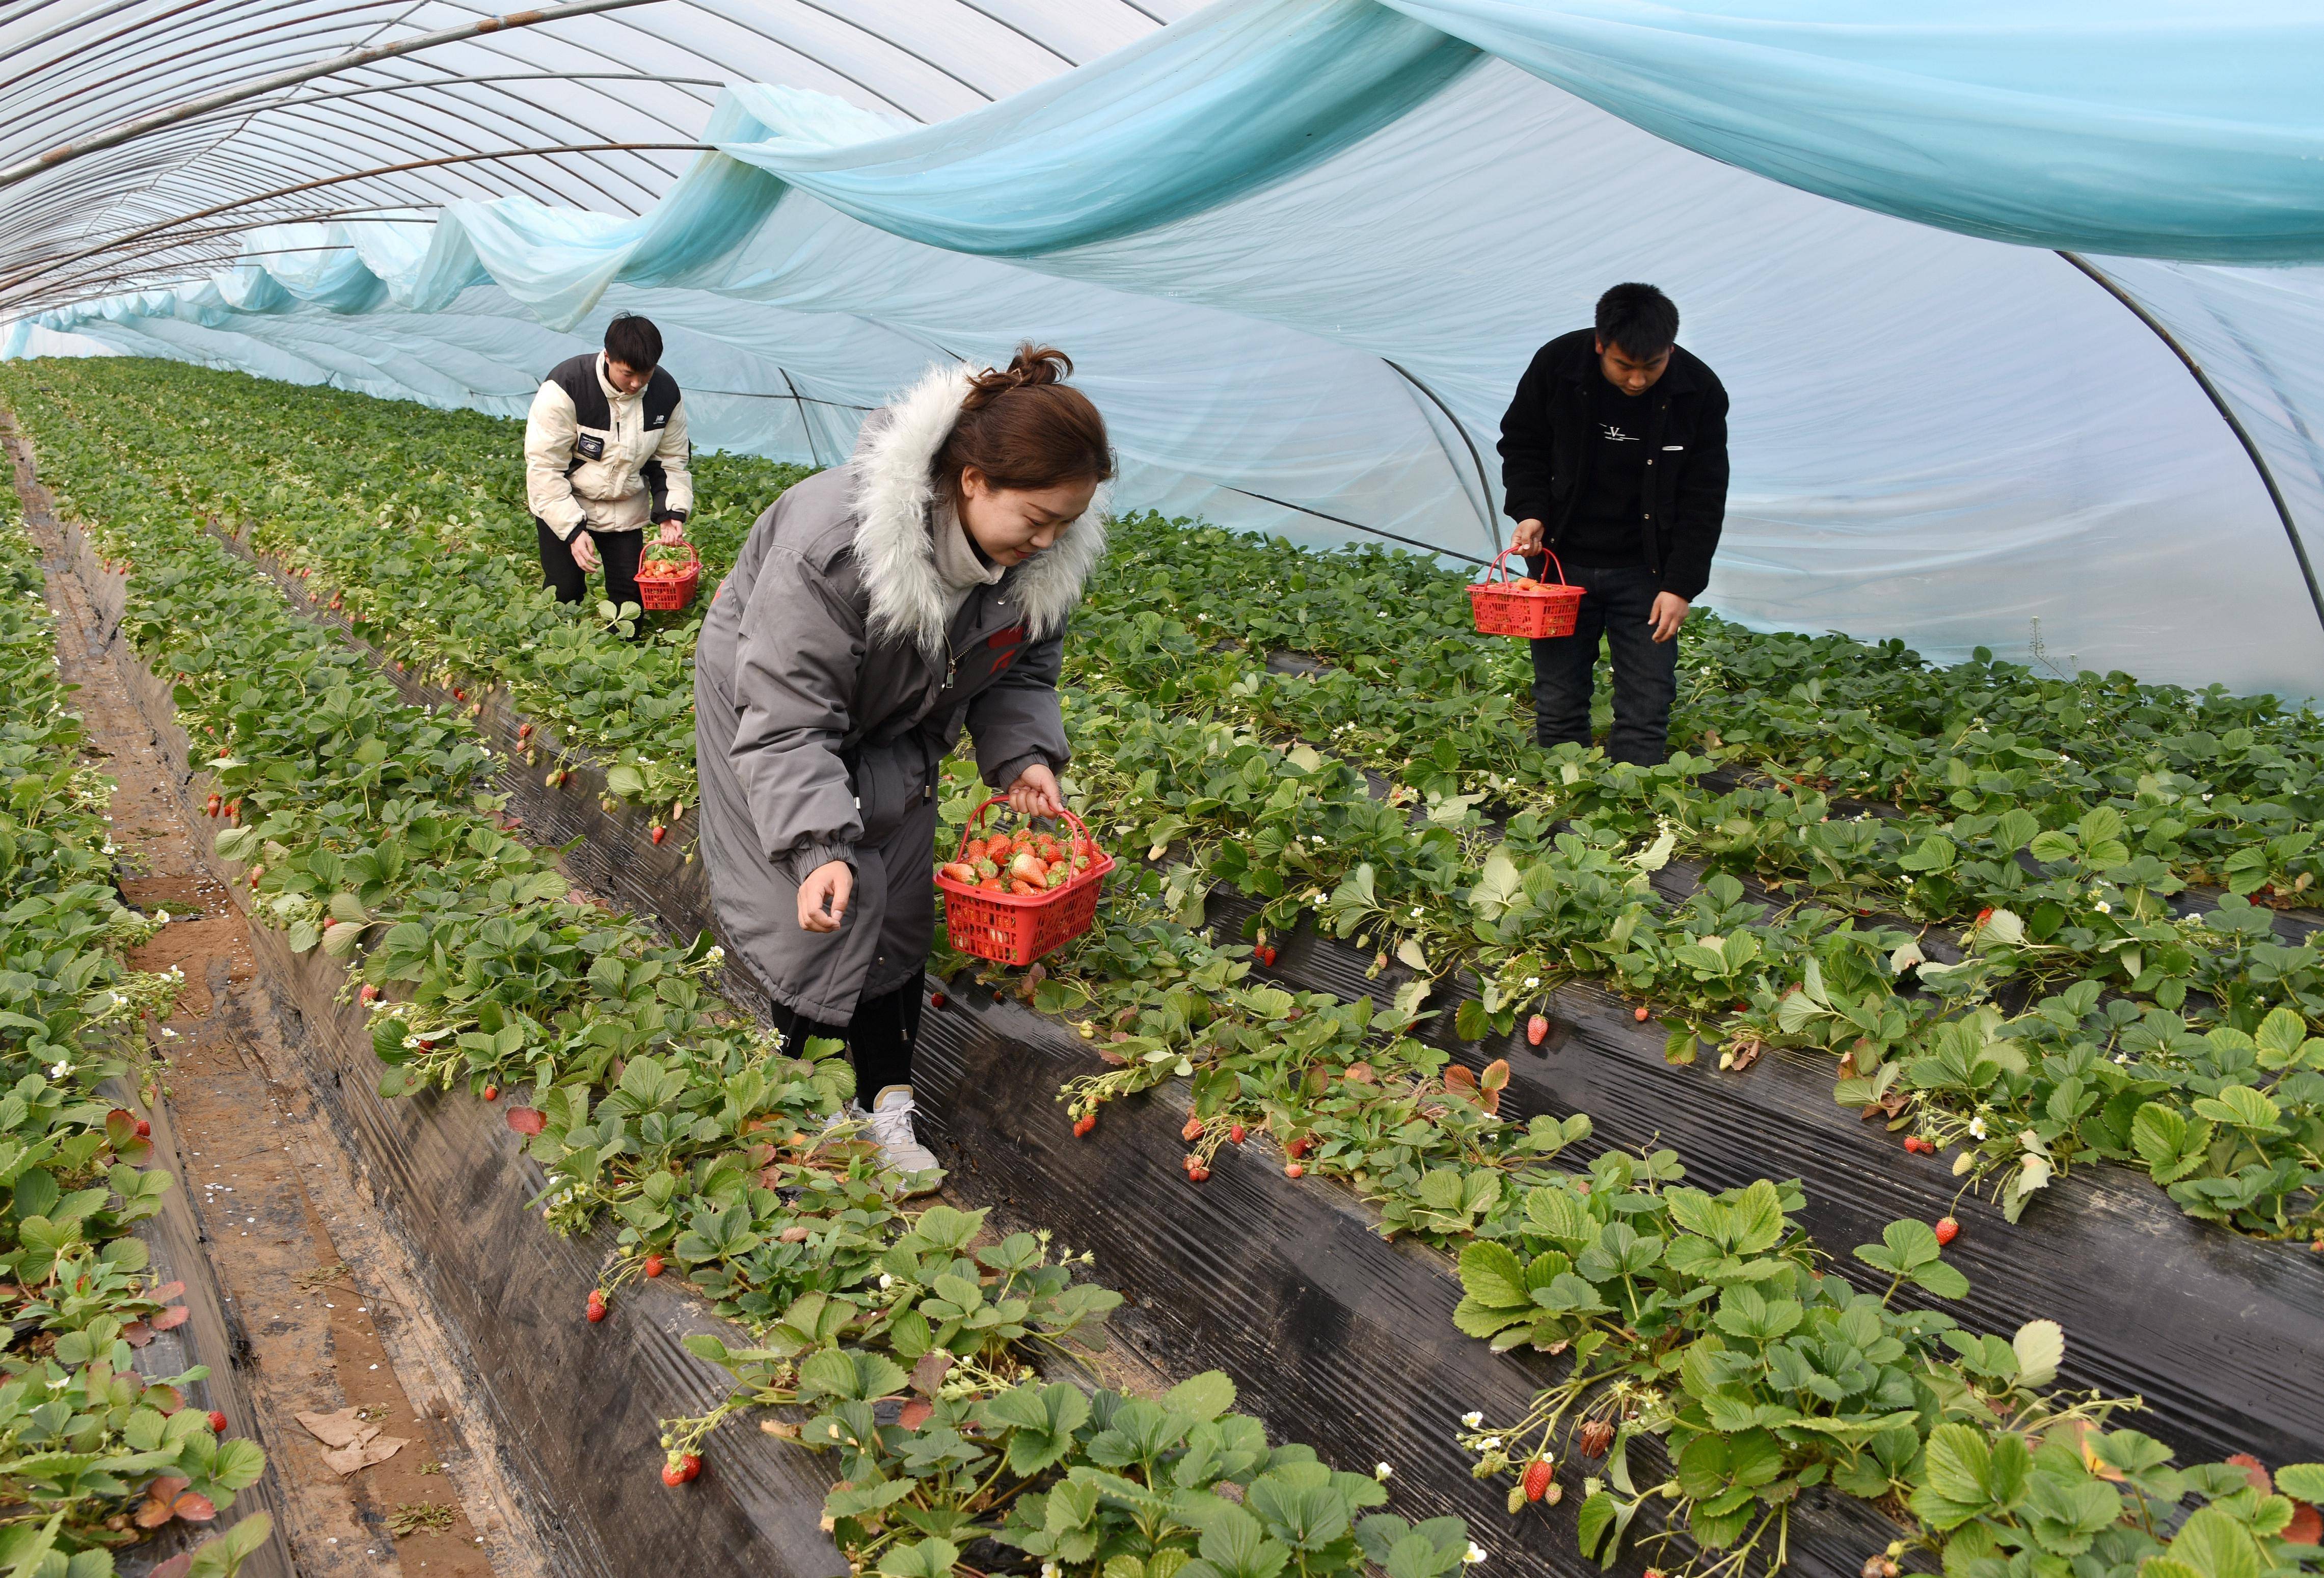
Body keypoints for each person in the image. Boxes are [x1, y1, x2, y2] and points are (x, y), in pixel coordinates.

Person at [692, 345, 1113, 1189]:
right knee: (810, 909)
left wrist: (1021, 755)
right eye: (1036, 517)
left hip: (903, 715)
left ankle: (886, 1097)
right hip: (773, 711)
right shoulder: (833, 547)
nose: (1049, 539)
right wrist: (817, 844)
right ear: (971, 482)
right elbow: (788, 721)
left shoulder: (1037, 565)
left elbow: (1021, 669)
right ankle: (809, 1092)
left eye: (1067, 522)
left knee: (897, 901)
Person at [1496, 283, 1729, 764]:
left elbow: (1704, 496)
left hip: (1647, 573)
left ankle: (1631, 802)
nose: (1639, 381)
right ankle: (1566, 797)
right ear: (1601, 343)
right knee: (1558, 695)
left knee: (1647, 701)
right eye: (1625, 366)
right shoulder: (1558, 365)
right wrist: (1531, 511)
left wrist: (1681, 584)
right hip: (1561, 567)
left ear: (1671, 347)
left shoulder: (1698, 391)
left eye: (1653, 366)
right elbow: (1523, 443)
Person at [524, 312, 692, 614]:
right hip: (566, 501)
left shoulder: (665, 393)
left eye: (646, 373)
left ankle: (628, 657)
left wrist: (671, 511)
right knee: (565, 591)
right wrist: (573, 531)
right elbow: (545, 468)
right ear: (607, 357)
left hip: (624, 506)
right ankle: (560, 654)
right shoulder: (567, 387)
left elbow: (671, 460)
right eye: (628, 373)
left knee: (631, 599)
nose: (637, 383)